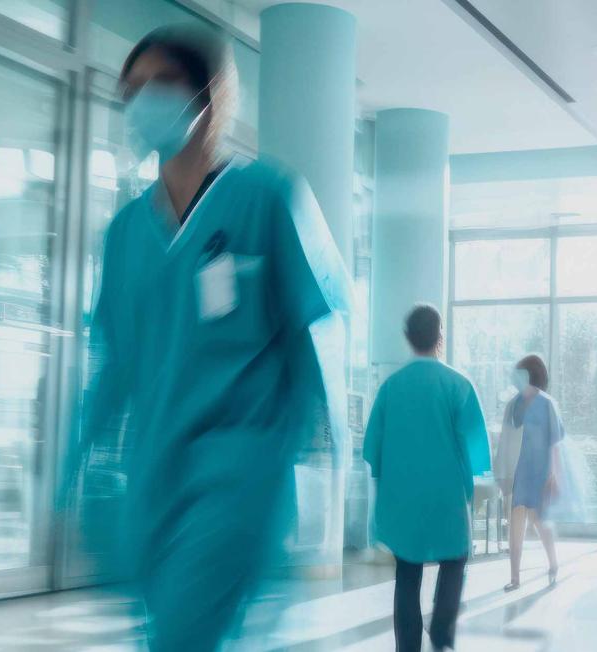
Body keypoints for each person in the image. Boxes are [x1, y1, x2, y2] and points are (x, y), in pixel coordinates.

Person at [69, 24, 349, 651]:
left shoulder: (268, 198)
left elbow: (316, 323)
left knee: (184, 634)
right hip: (155, 473)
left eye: (162, 83)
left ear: (207, 96)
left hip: (241, 469)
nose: (144, 101)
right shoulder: (125, 235)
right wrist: (73, 463)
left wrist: (324, 454)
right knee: (174, 630)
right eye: (132, 89)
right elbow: (113, 363)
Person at [364, 305, 490, 652]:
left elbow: (371, 449)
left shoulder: (390, 388)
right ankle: (442, 634)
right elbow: (477, 447)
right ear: (440, 337)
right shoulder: (459, 385)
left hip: (402, 498)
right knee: (455, 560)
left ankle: (408, 646)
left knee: (407, 570)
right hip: (446, 495)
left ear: (408, 338)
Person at [502, 354, 563, 590]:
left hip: (541, 471)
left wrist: (553, 474)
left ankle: (553, 562)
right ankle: (515, 577)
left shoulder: (547, 404)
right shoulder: (513, 404)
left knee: (539, 521)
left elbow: (555, 442)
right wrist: (504, 473)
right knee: (515, 522)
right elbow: (506, 442)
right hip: (519, 470)